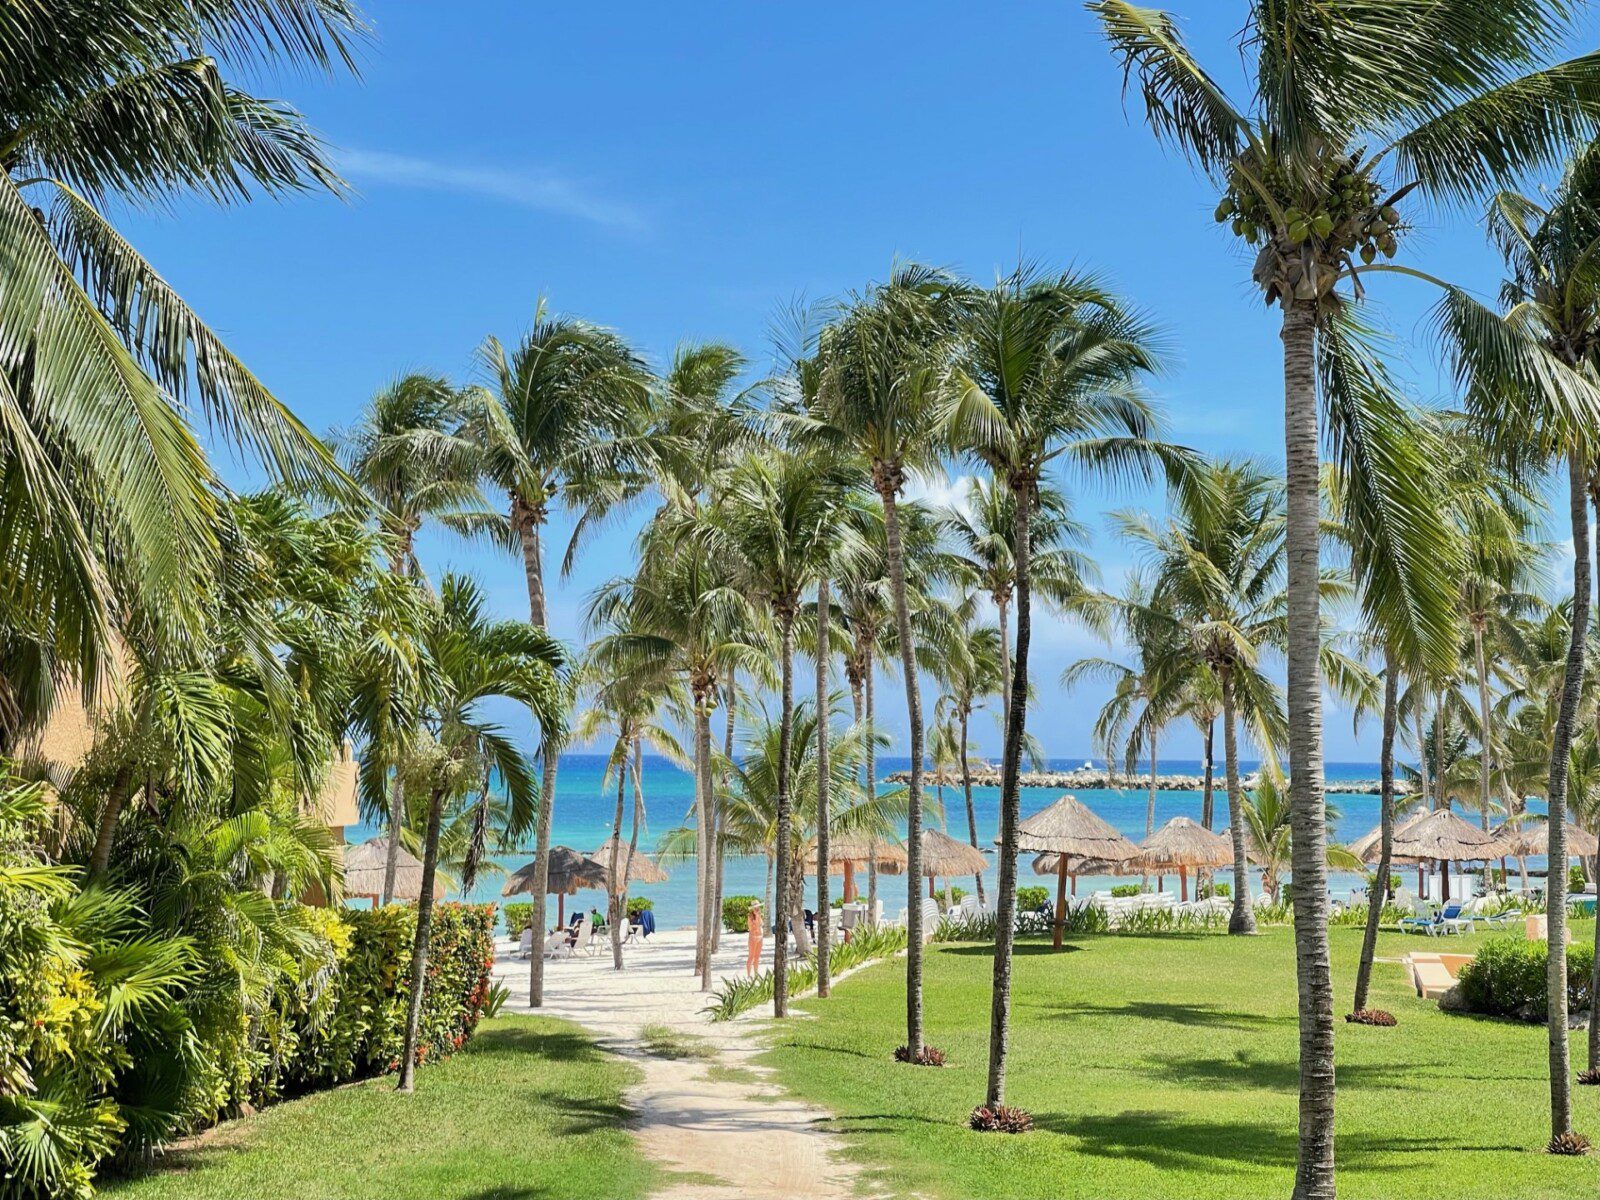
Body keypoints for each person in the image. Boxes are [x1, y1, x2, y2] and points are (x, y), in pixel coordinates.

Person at [745, 899, 764, 977]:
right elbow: (752, 927)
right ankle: (748, 975)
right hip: (753, 937)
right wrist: (756, 916)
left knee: (757, 957)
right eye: (755, 907)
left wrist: (758, 916)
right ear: (753, 908)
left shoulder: (760, 915)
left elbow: (761, 924)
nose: (757, 908)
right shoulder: (750, 917)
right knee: (751, 957)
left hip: (760, 937)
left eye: (758, 907)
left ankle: (756, 975)